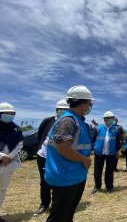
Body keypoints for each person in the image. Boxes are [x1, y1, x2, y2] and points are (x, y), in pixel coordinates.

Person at [45, 85, 94, 222]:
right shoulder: (68, 120)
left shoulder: (78, 121)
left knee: (67, 214)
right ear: (83, 103)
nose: (90, 106)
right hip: (65, 177)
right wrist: (84, 160)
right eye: (89, 103)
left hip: (74, 175)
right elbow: (63, 148)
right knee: (58, 217)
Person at [34, 99, 69, 216]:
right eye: (61, 109)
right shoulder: (48, 121)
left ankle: (56, 204)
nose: (63, 111)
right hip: (43, 156)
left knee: (56, 180)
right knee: (44, 181)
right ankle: (44, 204)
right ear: (56, 110)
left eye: (65, 109)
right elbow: (41, 135)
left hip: (58, 157)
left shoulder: (69, 123)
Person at [0, 102, 23, 222]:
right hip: (3, 159)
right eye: (6, 113)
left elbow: (20, 144)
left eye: (11, 113)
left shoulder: (16, 128)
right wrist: (2, 156)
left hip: (9, 163)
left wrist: (9, 156)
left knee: (2, 189)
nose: (9, 115)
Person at [91, 111, 121, 194]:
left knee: (109, 171)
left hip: (111, 153)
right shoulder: (98, 128)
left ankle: (109, 186)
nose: (110, 119)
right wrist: (94, 148)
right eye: (108, 118)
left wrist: (117, 150)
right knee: (97, 170)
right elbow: (92, 139)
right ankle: (97, 186)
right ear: (104, 119)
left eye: (112, 118)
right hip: (99, 153)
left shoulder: (116, 129)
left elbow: (117, 141)